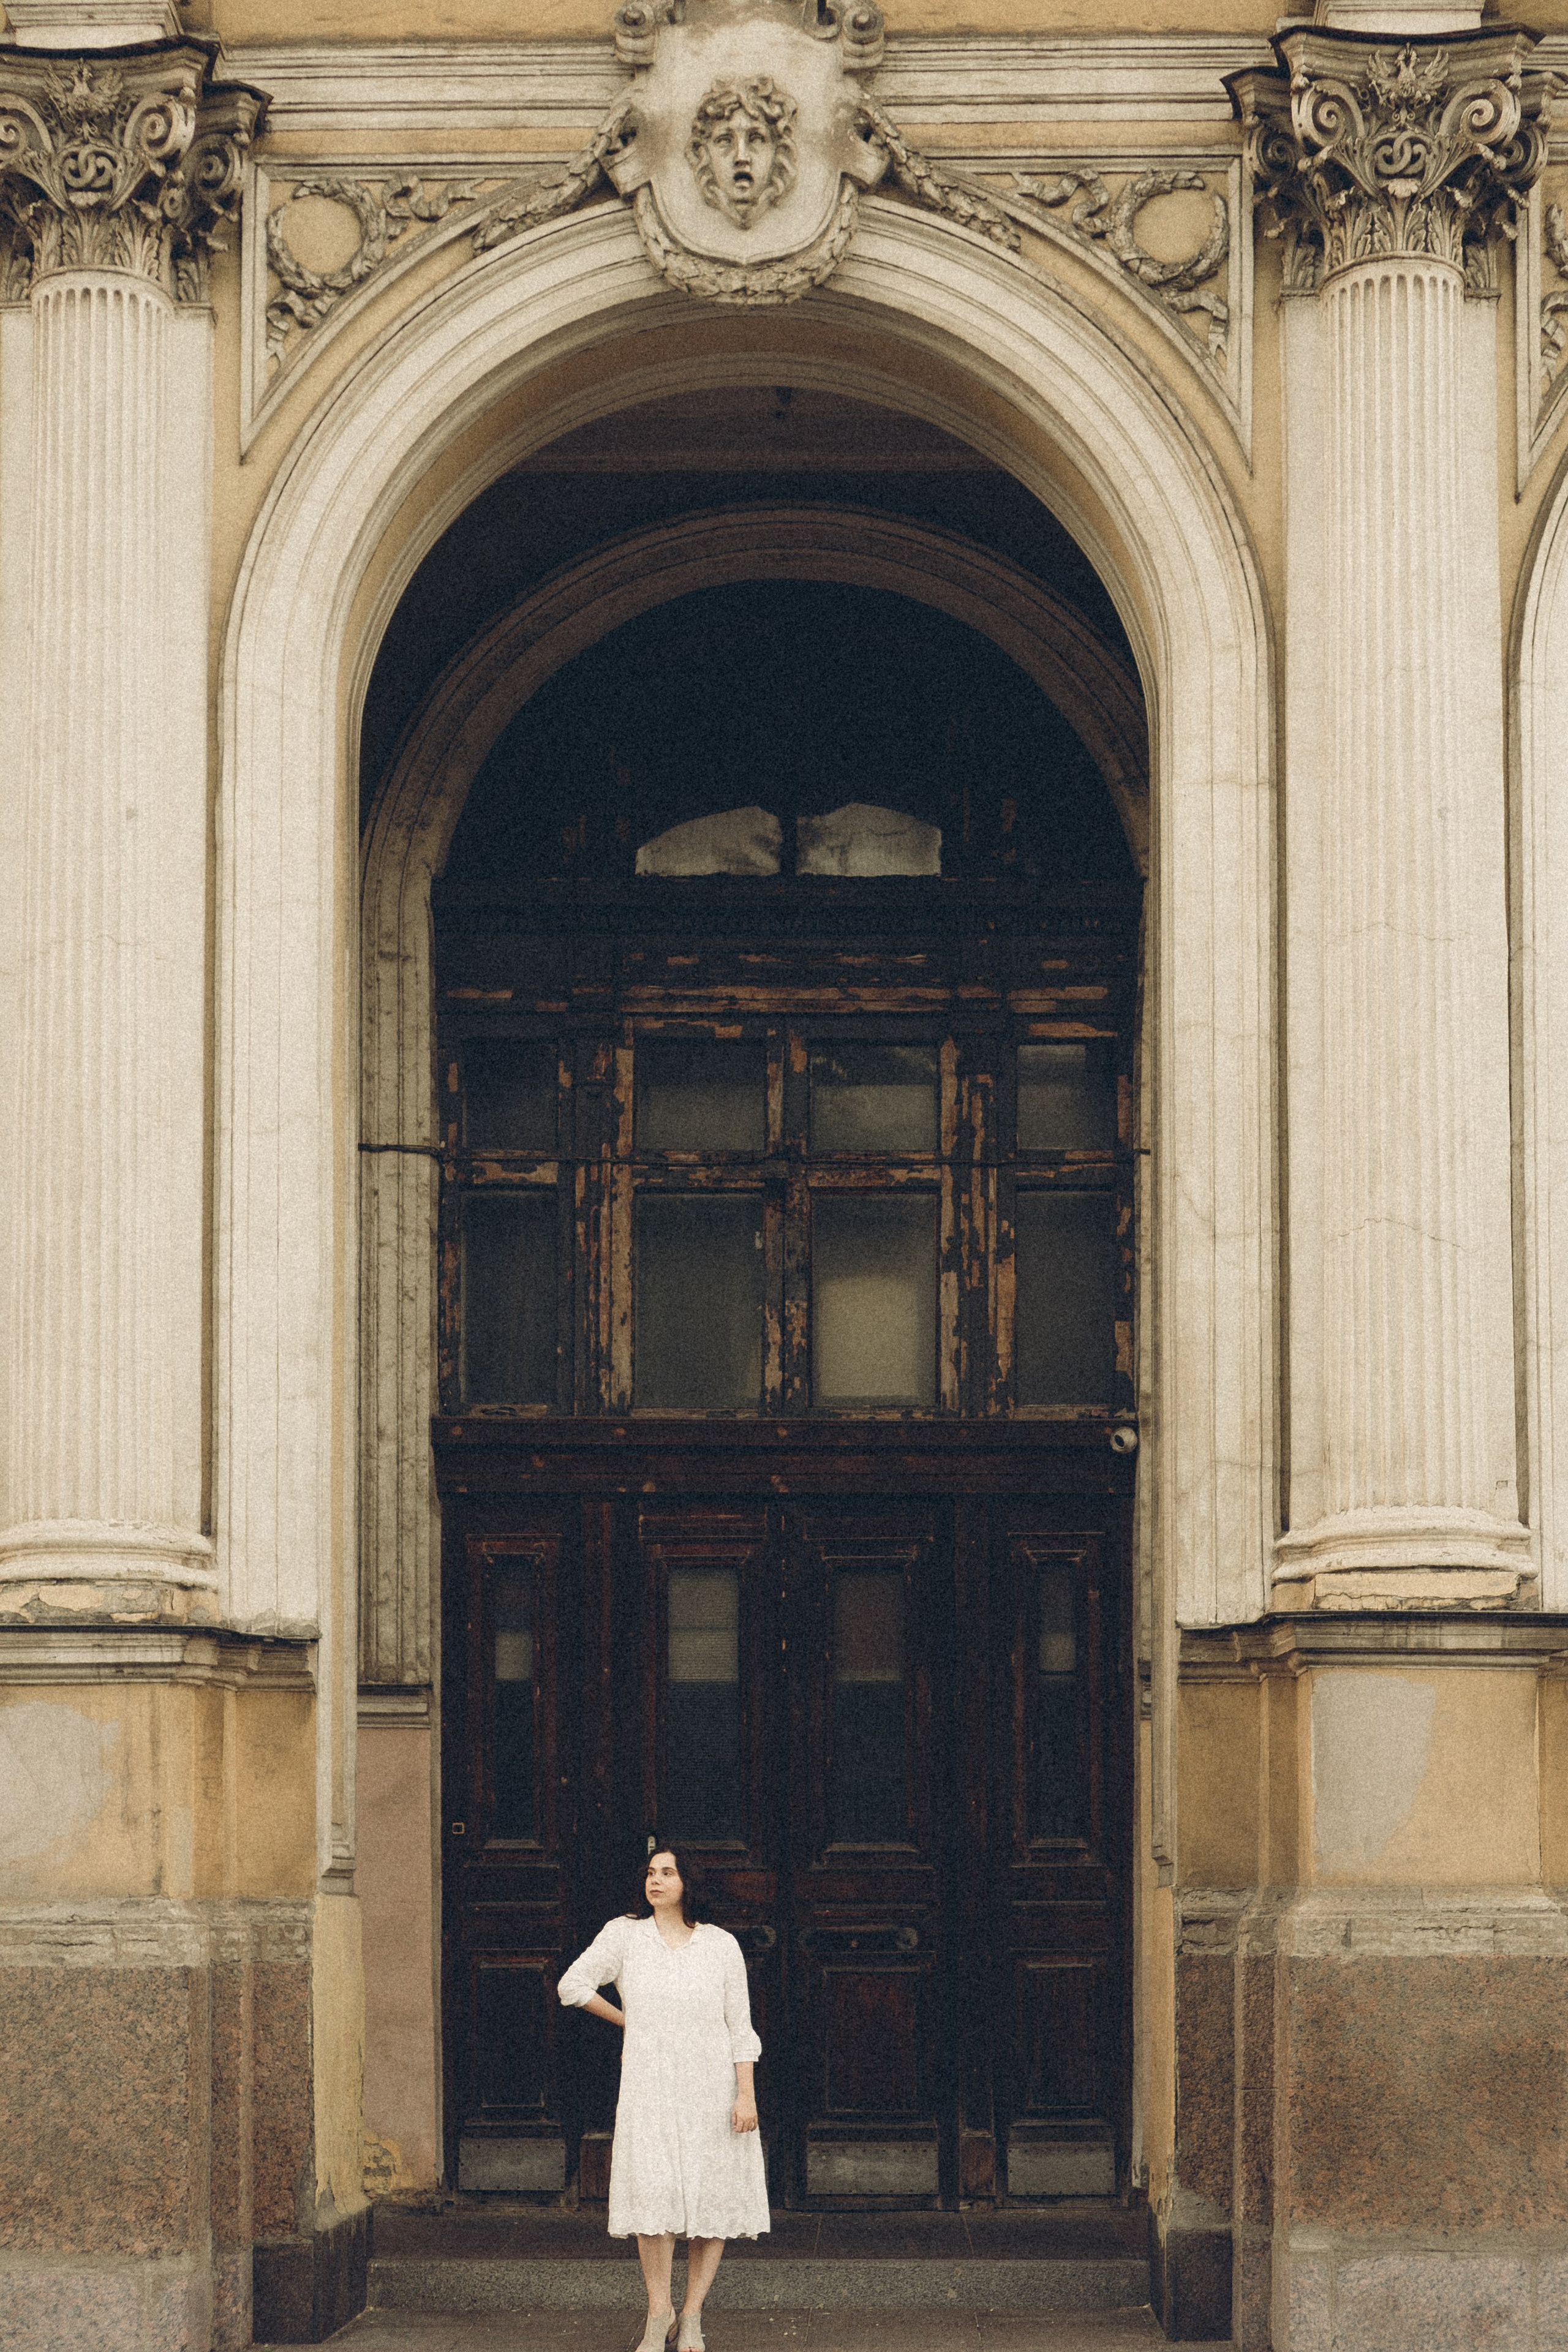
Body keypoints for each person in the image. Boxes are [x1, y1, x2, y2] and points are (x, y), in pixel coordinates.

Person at [559, 1844, 770, 2351]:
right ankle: (659, 2311)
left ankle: (693, 2315)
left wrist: (746, 2096)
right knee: (654, 2198)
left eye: (668, 1873)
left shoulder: (720, 1945)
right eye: (651, 1873)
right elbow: (573, 1985)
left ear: (688, 1883)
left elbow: (740, 2028)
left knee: (709, 2200)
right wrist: (629, 2021)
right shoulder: (624, 1935)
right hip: (650, 2087)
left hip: (712, 2089)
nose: (656, 1880)